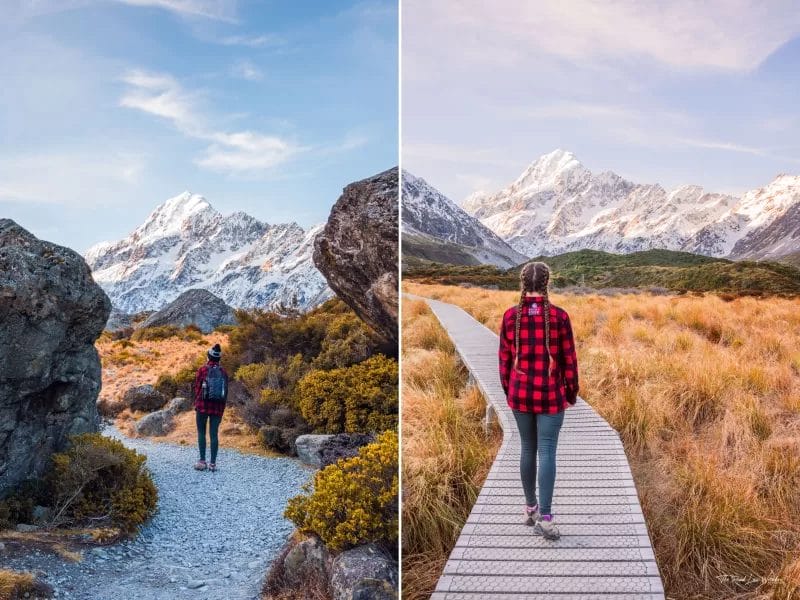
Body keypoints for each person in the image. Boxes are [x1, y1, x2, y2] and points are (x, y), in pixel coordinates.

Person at [498, 262, 579, 540]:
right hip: (550, 395)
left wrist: (510, 392)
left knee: (527, 449)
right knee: (546, 452)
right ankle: (546, 517)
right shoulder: (559, 317)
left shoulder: (510, 317)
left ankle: (530, 509)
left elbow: (504, 362)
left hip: (520, 394)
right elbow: (569, 361)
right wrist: (571, 394)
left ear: (523, 284)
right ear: (547, 283)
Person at [193, 343, 229, 472]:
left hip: (202, 406)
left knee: (201, 433)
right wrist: (222, 409)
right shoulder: (224, 372)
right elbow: (226, 393)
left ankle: (202, 461)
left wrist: (196, 403)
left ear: (208, 357)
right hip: (217, 408)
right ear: (219, 359)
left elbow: (197, 389)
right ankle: (213, 464)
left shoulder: (202, 370)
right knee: (214, 434)